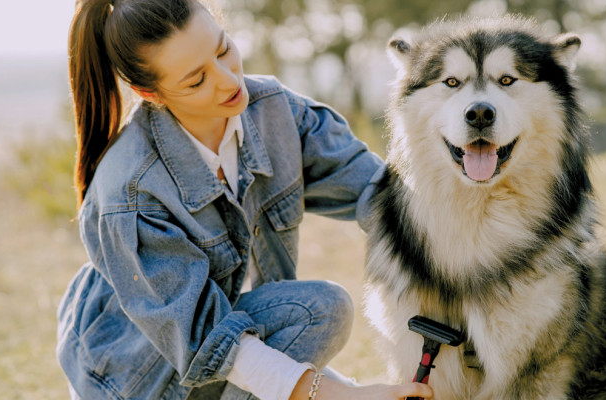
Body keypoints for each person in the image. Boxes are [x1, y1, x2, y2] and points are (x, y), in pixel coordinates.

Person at [57, 0, 434, 399]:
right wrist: (345, 396)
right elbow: (204, 339)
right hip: (134, 379)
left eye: (223, 50)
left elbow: (384, 196)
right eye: (196, 80)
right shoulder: (131, 192)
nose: (228, 80)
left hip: (214, 352)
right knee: (319, 309)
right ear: (149, 93)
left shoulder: (275, 111)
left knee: (314, 312)